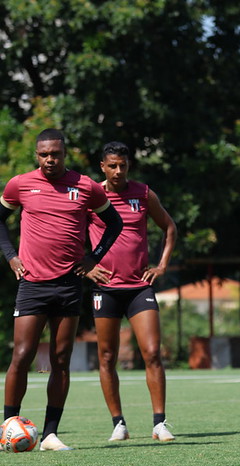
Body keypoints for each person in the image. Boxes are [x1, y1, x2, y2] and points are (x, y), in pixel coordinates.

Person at [0, 128, 122, 451]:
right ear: (36, 155)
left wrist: (93, 257)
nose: (49, 159)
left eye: (55, 154)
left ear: (64, 154)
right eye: (44, 154)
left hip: (68, 285)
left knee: (61, 359)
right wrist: (11, 257)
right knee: (22, 355)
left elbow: (115, 223)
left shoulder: (86, 186)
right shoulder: (20, 184)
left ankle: (51, 434)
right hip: (32, 284)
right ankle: (7, 426)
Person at [85, 142, 178, 442]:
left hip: (140, 288)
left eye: (123, 165)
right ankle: (118, 424)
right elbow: (70, 233)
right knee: (107, 356)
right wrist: (86, 268)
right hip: (105, 289)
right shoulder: (92, 197)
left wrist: (161, 265)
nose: (118, 171)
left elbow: (169, 227)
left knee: (152, 352)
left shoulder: (143, 193)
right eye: (112, 165)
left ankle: (160, 423)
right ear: (102, 166)